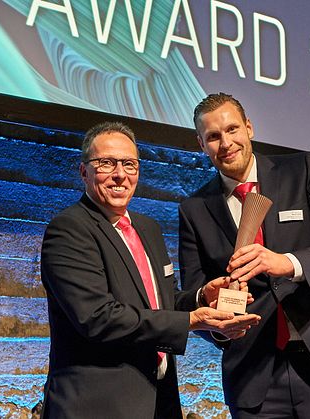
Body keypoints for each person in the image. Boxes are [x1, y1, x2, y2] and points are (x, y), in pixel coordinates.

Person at [40, 121, 261, 419]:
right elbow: (98, 318)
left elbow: (160, 300)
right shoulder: (69, 229)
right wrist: (190, 321)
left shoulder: (148, 228)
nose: (120, 174)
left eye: (129, 164)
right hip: (97, 406)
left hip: (160, 401)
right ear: (84, 171)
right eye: (107, 163)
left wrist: (201, 297)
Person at [179, 93, 310, 418]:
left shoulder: (301, 170)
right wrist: (214, 313)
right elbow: (193, 295)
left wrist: (286, 263)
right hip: (253, 376)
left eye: (232, 130)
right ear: (201, 143)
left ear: (249, 128)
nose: (226, 143)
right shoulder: (194, 209)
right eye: (213, 136)